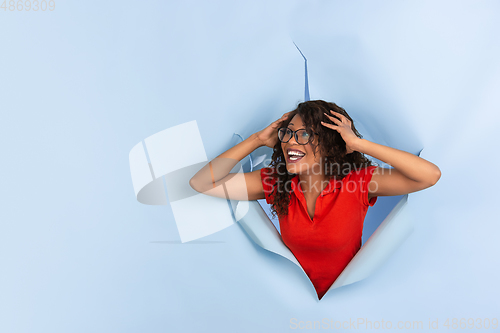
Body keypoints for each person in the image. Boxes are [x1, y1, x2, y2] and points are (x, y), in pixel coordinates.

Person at [189, 100, 441, 300]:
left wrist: (357, 143)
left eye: (304, 135)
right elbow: (201, 183)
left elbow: (429, 176)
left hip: (350, 305)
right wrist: (256, 140)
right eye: (287, 133)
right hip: (285, 304)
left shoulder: (359, 182)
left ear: (332, 143)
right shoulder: (276, 181)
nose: (289, 142)